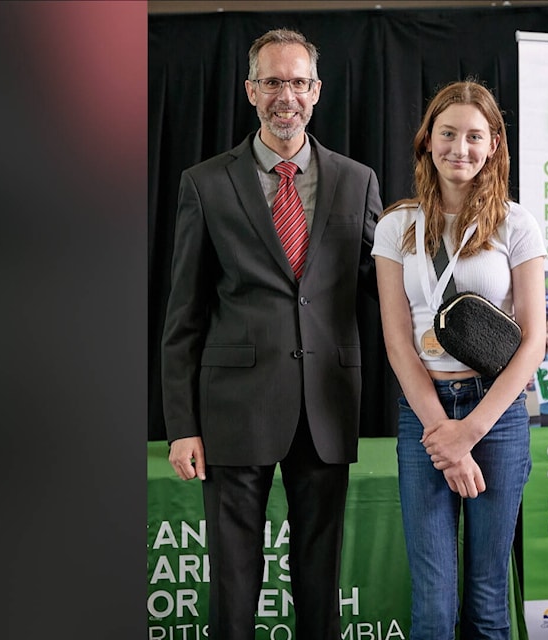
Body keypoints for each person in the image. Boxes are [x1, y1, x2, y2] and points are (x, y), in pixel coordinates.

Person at [160, 28, 382, 640]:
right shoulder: (205, 183)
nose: (287, 95)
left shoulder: (356, 181)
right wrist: (182, 426)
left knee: (319, 579)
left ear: (317, 91)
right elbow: (184, 314)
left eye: (299, 82)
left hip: (327, 403)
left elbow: (381, 289)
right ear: (251, 90)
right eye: (274, 82)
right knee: (233, 584)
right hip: (233, 409)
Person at [372, 80, 546, 639]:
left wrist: (468, 432)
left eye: (475, 136)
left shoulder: (516, 223)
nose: (460, 148)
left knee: (490, 594)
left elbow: (534, 340)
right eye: (448, 134)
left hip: (495, 414)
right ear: (428, 141)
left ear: (493, 144)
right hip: (423, 414)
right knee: (433, 601)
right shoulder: (396, 226)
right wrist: (442, 433)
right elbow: (399, 344)